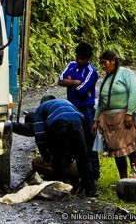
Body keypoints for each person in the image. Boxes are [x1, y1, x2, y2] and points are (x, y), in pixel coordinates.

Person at [92, 50, 136, 179]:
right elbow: (101, 102)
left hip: (125, 117)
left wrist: (129, 114)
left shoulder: (126, 73)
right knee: (117, 152)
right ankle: (123, 180)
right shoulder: (107, 78)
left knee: (131, 150)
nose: (103, 66)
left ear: (113, 61)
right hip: (109, 119)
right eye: (101, 63)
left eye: (104, 62)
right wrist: (96, 120)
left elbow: (134, 94)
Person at [34, 94, 97, 197]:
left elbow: (40, 135)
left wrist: (45, 156)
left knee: (57, 158)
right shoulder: (66, 102)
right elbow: (82, 120)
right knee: (83, 158)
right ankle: (90, 190)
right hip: (77, 123)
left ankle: (60, 188)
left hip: (58, 124)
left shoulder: (40, 109)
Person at [58, 42, 100, 180]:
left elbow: (82, 91)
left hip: (86, 109)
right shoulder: (71, 65)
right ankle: (71, 172)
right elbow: (60, 80)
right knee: (69, 139)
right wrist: (74, 82)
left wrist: (70, 82)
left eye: (84, 59)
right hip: (71, 107)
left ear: (88, 59)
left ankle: (93, 174)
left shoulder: (92, 72)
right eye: (79, 58)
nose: (80, 61)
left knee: (89, 141)